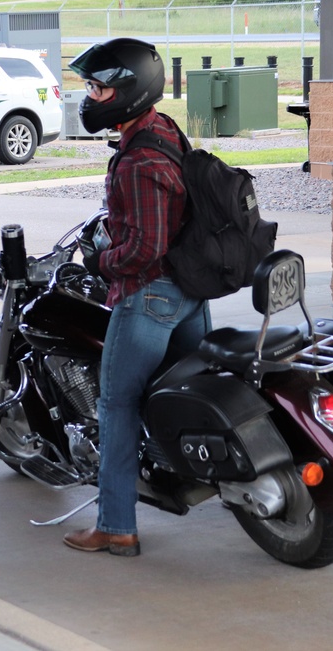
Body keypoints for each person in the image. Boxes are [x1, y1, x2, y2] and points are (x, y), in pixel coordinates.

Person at [63, 38, 212, 557]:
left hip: (152, 296)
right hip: (192, 290)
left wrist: (99, 261)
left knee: (117, 405)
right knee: (185, 391)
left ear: (128, 93)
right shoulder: (162, 129)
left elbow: (145, 249)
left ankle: (116, 525)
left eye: (99, 88)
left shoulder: (137, 162)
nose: (91, 97)